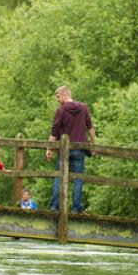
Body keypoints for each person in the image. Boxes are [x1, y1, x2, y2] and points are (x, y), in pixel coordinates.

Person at [46, 85, 96, 213]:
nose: (57, 100)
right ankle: (76, 208)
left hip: (64, 150)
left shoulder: (61, 111)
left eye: (58, 97)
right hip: (80, 149)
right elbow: (90, 128)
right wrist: (93, 145)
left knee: (59, 176)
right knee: (78, 178)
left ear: (64, 94)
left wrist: (49, 148)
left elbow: (54, 132)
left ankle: (54, 206)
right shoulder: (83, 108)